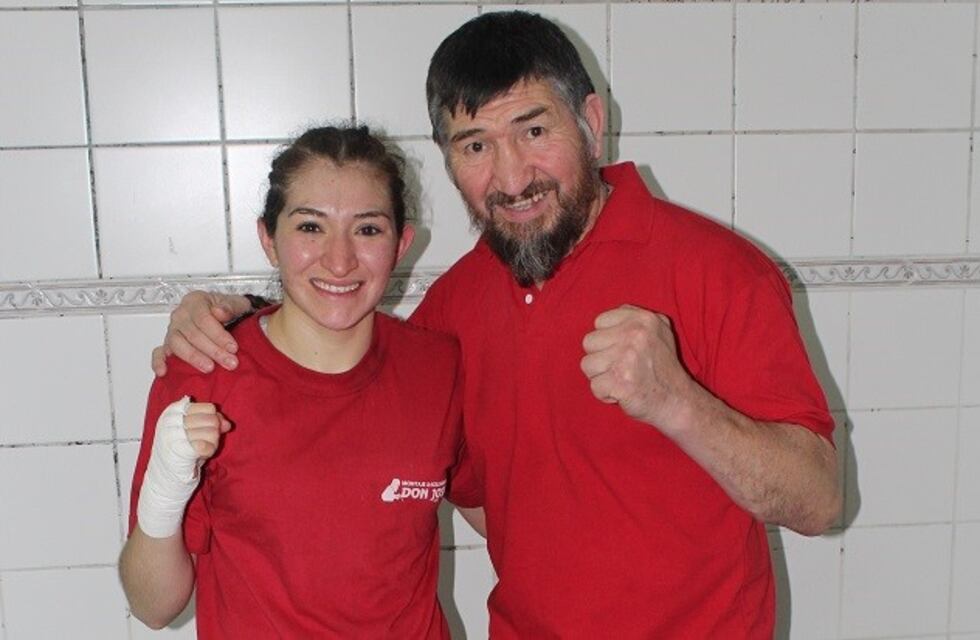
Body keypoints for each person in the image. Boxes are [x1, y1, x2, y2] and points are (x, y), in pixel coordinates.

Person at [152, 12, 841, 638]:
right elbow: (346, 360)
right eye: (475, 145)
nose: (511, 177)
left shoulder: (718, 271)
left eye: (534, 131)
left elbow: (817, 501)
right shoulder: (453, 310)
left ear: (593, 122)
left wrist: (677, 402)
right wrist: (226, 320)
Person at [120, 125, 471, 639]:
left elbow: (502, 509)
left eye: (368, 229)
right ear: (268, 239)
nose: (339, 259)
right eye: (310, 227)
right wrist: (165, 490)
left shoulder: (439, 367)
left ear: (402, 245)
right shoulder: (202, 370)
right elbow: (154, 607)